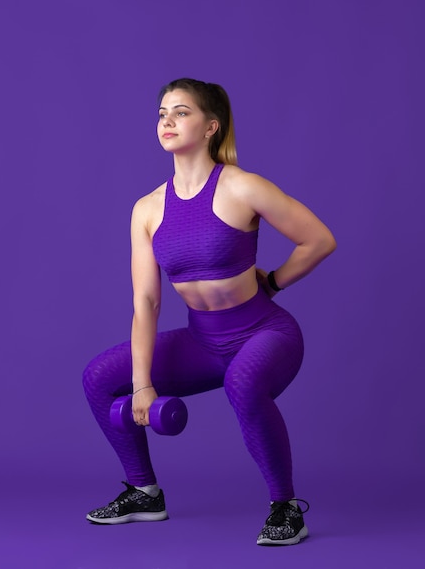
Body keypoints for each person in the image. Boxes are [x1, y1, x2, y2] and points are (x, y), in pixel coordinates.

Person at [82, 78, 336, 546]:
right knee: (100, 376)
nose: (167, 121)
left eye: (181, 112)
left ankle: (286, 508)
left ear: (211, 126)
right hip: (203, 342)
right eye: (162, 113)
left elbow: (319, 240)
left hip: (264, 332)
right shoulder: (147, 208)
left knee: (243, 384)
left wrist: (274, 281)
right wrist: (142, 384)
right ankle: (144, 492)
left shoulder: (243, 187)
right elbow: (146, 302)